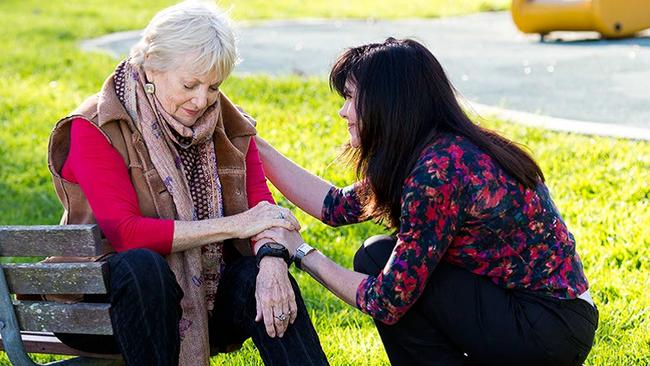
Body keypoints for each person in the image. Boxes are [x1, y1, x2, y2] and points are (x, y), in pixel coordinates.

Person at [253, 38, 598, 366]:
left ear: (387, 102)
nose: (343, 112)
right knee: (376, 255)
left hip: (548, 329)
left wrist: (302, 252)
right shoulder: (436, 149)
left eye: (350, 97)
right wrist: (255, 147)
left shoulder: (439, 172)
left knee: (379, 263)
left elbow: (387, 301)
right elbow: (335, 206)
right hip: (549, 319)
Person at [46, 2, 328, 365]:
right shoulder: (95, 125)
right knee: (143, 266)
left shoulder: (228, 123)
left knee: (258, 272)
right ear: (151, 66)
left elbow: (264, 210)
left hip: (204, 304)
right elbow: (126, 234)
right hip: (102, 309)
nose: (201, 100)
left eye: (213, 87)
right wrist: (235, 225)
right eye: (189, 84)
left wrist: (272, 261)